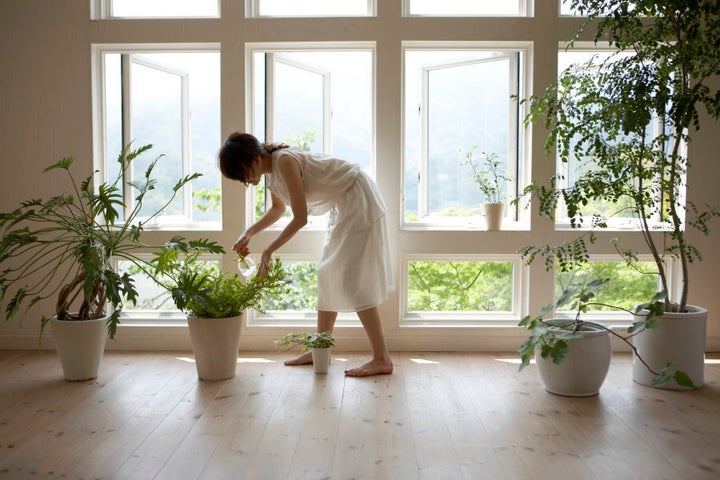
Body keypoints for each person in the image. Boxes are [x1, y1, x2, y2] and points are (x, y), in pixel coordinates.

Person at [218, 132, 394, 377]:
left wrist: (268, 251)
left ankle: (382, 358)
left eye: (242, 173)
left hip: (357, 197)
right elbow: (278, 210)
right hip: (343, 202)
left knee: (352, 280)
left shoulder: (284, 162)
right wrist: (249, 233)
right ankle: (320, 350)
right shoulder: (272, 172)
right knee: (327, 273)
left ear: (255, 160)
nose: (245, 181)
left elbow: (300, 218)